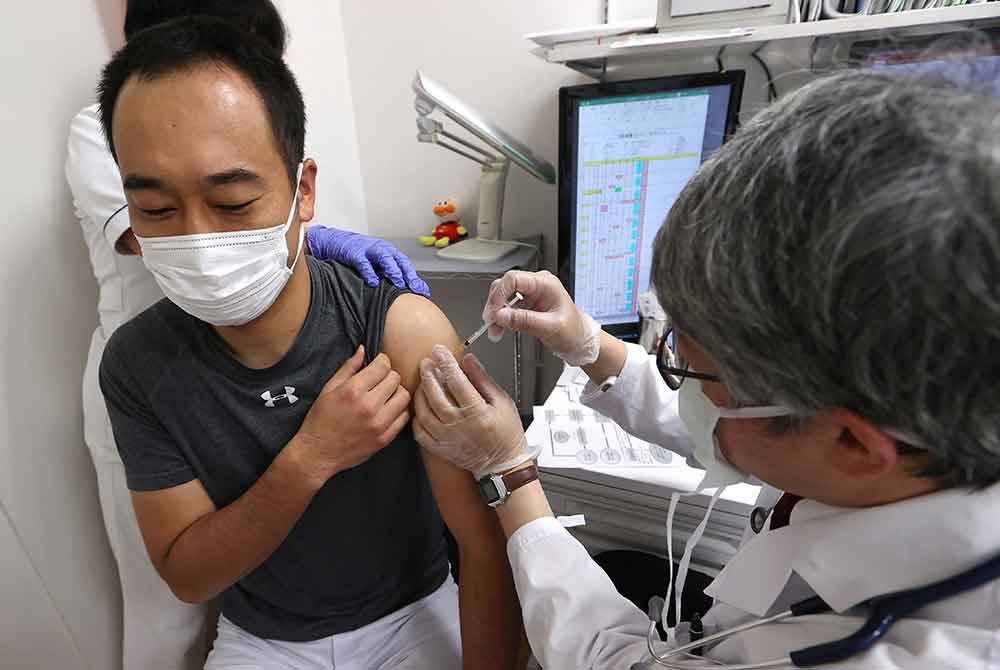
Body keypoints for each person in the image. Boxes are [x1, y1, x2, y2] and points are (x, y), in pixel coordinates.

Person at [413, 70, 1000, 669]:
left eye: (690, 369)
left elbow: (617, 662)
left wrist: (508, 472)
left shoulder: (916, 654)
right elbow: (742, 430)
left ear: (852, 439)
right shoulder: (912, 428)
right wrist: (588, 344)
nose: (680, 383)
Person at [93, 14, 521, 670]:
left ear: (303, 190)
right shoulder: (137, 364)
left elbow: (485, 543)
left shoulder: (401, 329)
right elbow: (188, 574)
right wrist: (310, 458)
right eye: (155, 210)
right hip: (261, 641)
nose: (199, 241)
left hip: (413, 613)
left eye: (233, 203)